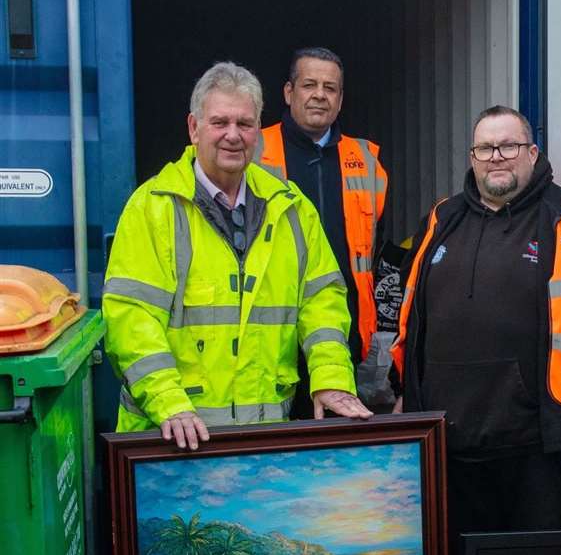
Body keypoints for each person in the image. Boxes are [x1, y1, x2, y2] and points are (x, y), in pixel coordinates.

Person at [391, 105, 561, 533]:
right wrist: (405, 391)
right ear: (472, 157)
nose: (496, 157)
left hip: (536, 441)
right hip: (446, 441)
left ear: (532, 152)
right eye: (485, 148)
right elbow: (411, 316)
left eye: (508, 145)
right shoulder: (441, 219)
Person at [104, 61, 371, 450]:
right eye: (220, 122)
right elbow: (131, 318)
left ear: (258, 131)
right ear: (194, 128)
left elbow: (323, 300)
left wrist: (330, 377)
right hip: (167, 442)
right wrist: (169, 405)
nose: (233, 135)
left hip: (261, 441)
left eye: (245, 124)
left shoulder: (291, 207)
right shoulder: (153, 208)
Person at [253, 47, 392, 411]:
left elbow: (374, 253)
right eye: (309, 84)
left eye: (330, 88)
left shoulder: (366, 159)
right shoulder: (253, 149)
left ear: (341, 98)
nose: (319, 95)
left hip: (342, 335)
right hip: (269, 335)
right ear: (288, 92)